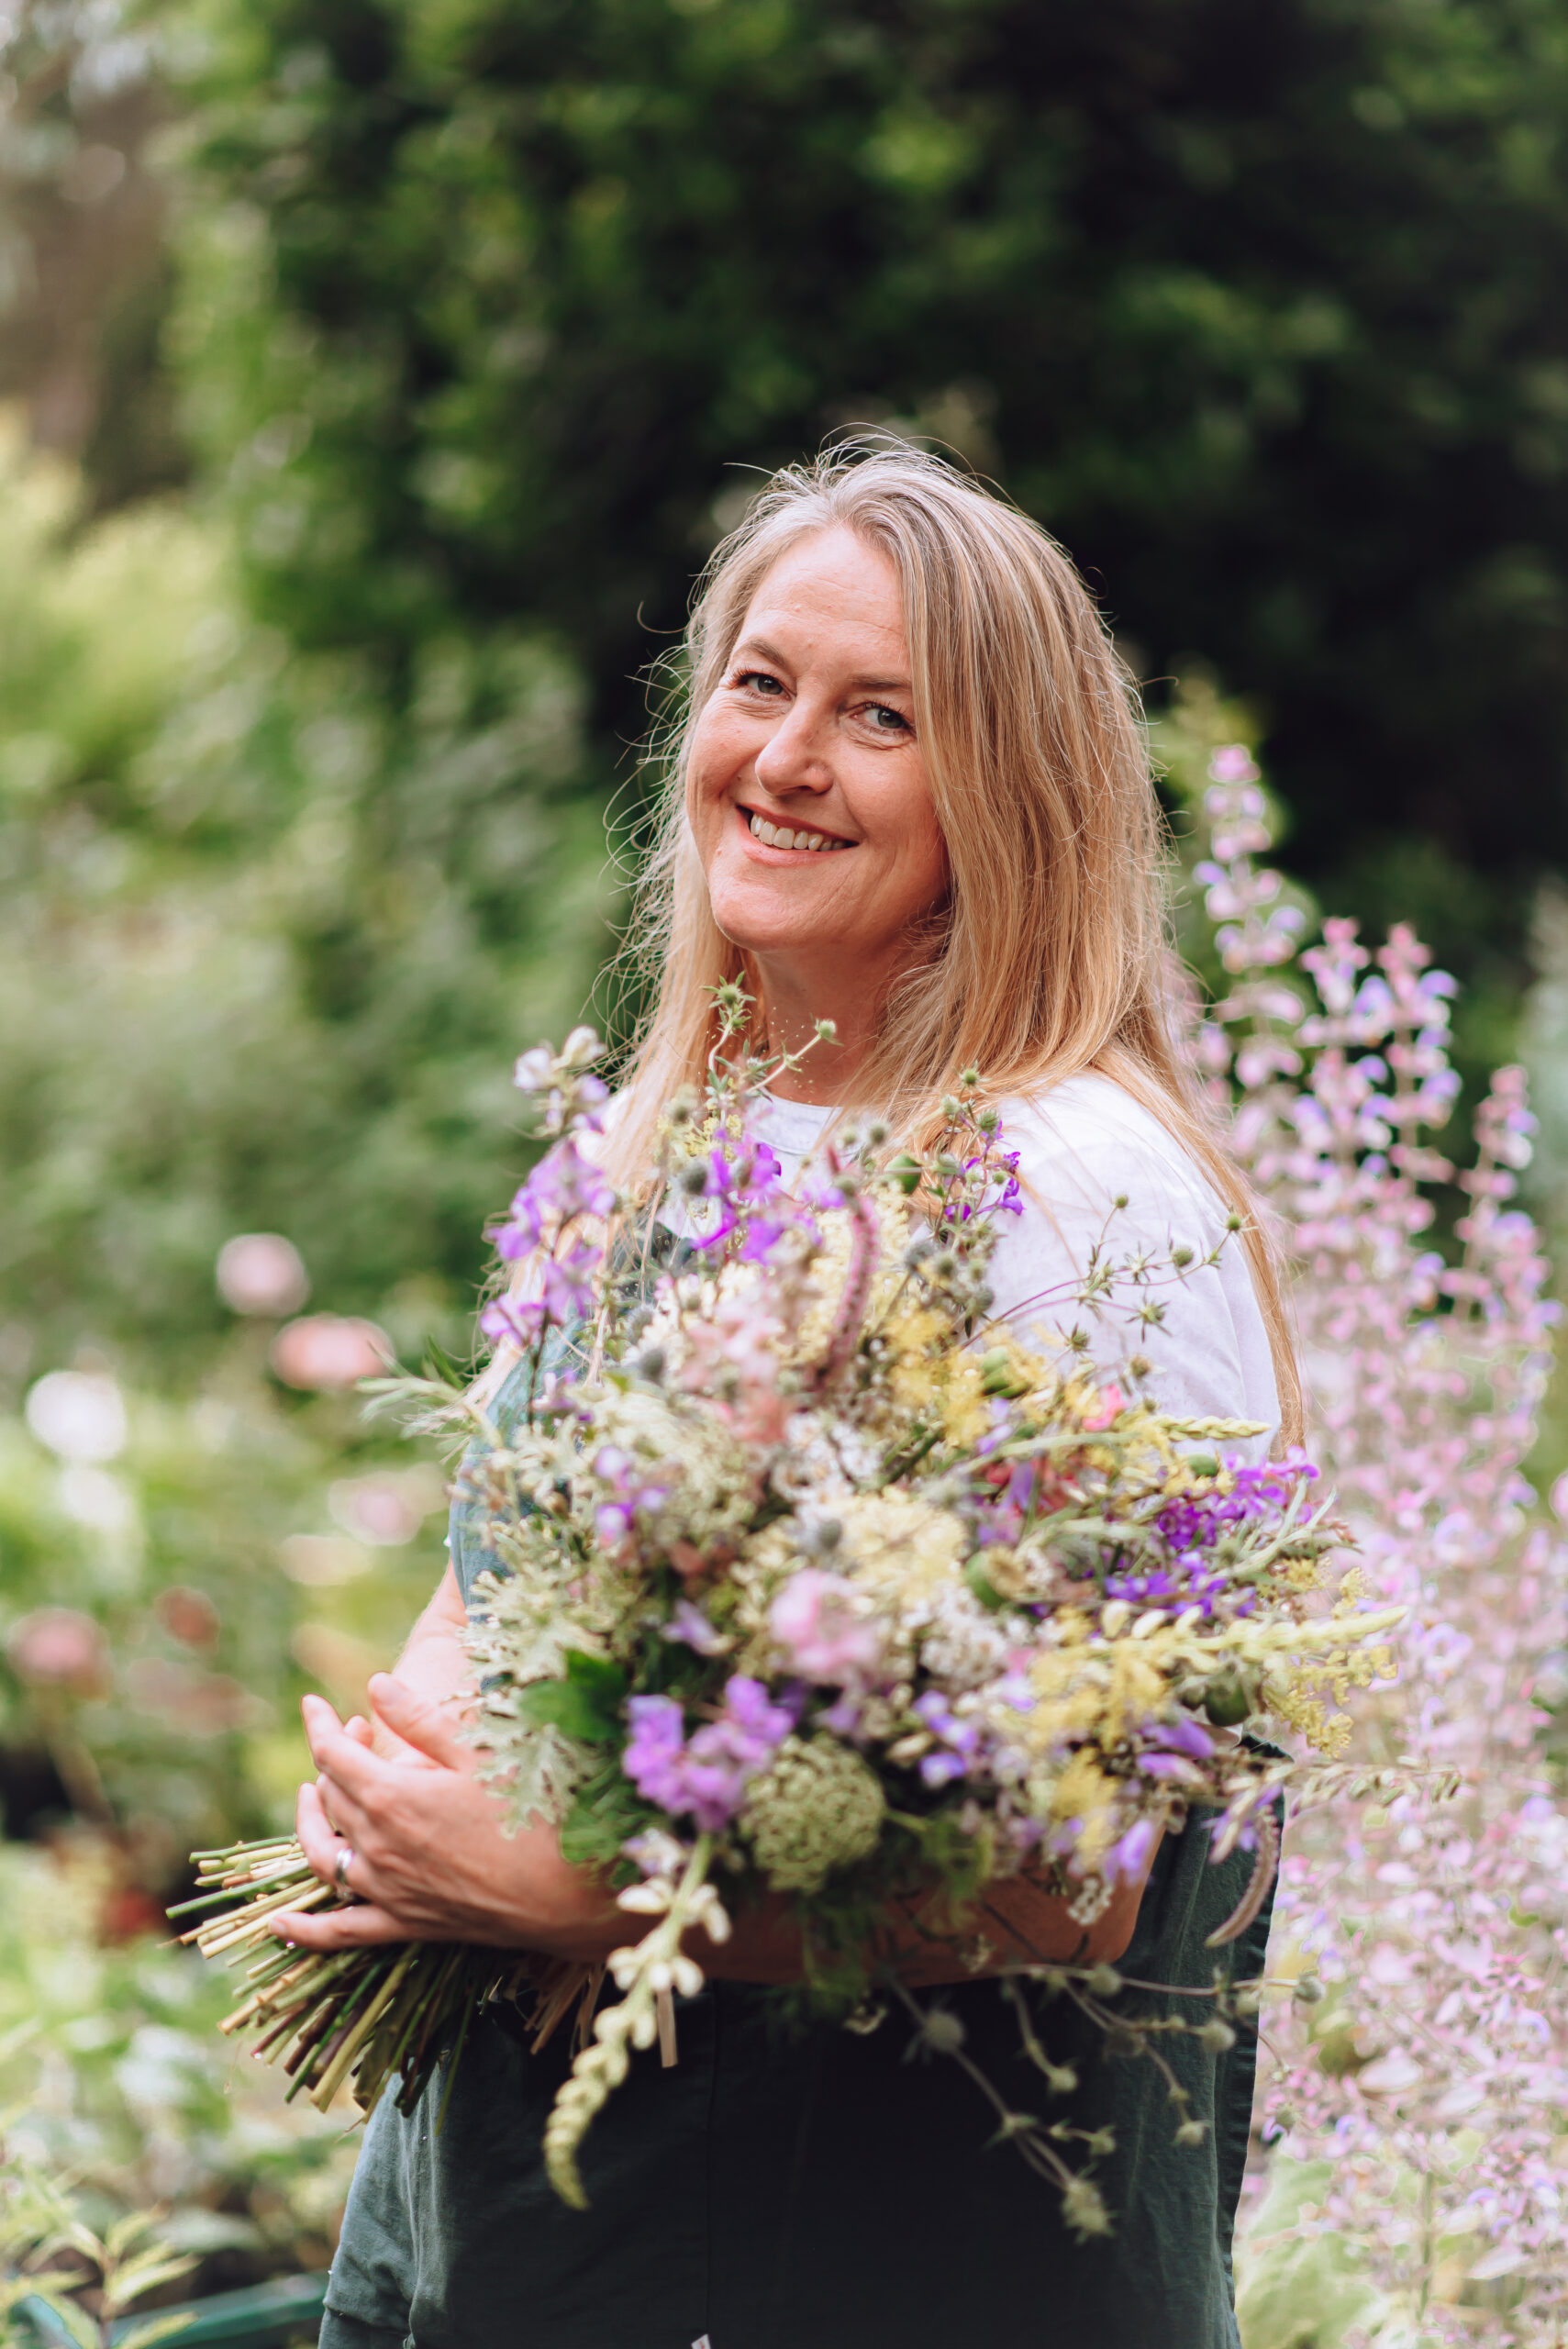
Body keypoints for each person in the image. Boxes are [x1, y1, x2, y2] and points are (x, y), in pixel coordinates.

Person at [282, 444, 1297, 2349]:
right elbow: (502, 1568)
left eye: (881, 716)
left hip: (863, 2246)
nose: (787, 757)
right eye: (761, 684)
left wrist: (561, 1886)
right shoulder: (674, 1135)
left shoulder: (1077, 1191)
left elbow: (1076, 1881)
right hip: (508, 2218)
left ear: (1013, 790)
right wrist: (393, 1794)